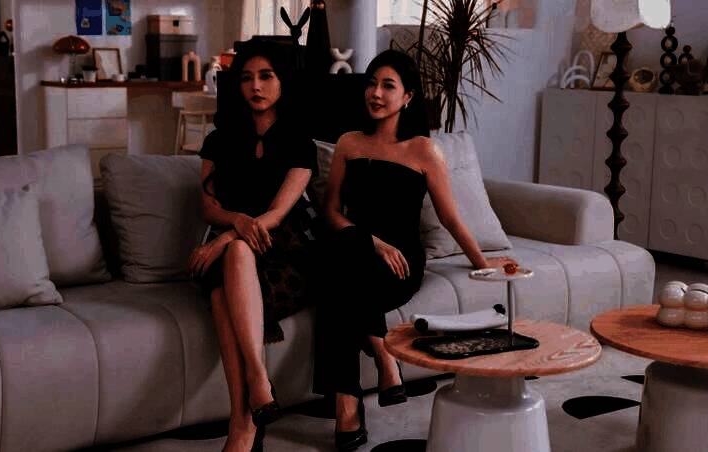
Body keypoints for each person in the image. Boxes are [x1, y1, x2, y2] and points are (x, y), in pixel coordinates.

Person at [314, 49, 517, 451]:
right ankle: (365, 377)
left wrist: (483, 263)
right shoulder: (349, 143)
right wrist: (372, 242)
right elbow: (332, 212)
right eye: (371, 83)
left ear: (407, 97)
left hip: (400, 263)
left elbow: (450, 218)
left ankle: (364, 377)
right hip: (357, 248)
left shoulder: (423, 150)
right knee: (343, 257)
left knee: (335, 279)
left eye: (388, 86)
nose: (375, 93)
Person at [187, 40, 319, 452]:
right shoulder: (219, 140)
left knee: (224, 289)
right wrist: (234, 223)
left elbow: (278, 213)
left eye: (266, 76)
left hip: (284, 252)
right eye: (246, 78)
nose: (255, 86)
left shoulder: (300, 142)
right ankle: (257, 386)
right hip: (234, 252)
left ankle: (241, 423)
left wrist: (231, 234)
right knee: (235, 258)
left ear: (283, 82)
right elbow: (208, 207)